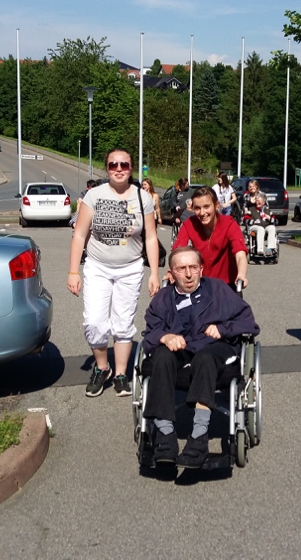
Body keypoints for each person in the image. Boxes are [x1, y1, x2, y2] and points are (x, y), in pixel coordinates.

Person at [141, 247, 259, 468]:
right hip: (180, 352)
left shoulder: (219, 290)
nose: (188, 274)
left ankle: (199, 436)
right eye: (181, 269)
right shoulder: (163, 299)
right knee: (161, 356)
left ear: (201, 269)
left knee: (205, 358)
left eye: (193, 267)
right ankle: (165, 435)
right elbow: (150, 333)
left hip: (214, 349)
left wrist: (223, 329)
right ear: (171, 273)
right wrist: (165, 336)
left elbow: (249, 323)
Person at [68, 148, 161, 398]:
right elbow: (79, 234)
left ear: (131, 168)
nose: (119, 169)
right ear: (106, 168)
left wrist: (154, 273)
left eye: (124, 165)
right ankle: (102, 368)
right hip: (98, 266)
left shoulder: (143, 198)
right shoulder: (94, 195)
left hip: (130, 268)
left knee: (123, 322)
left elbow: (151, 237)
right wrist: (73, 271)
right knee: (94, 322)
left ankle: (121, 374)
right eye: (113, 165)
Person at [173, 187, 249, 289]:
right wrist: (170, 272)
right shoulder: (189, 224)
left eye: (206, 207)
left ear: (216, 205)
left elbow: (240, 254)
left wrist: (241, 275)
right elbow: (177, 252)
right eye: (197, 208)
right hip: (199, 285)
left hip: (226, 285)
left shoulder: (229, 224)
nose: (202, 212)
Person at [242, 191, 278, 257]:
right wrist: (253, 221)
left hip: (266, 226)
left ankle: (269, 249)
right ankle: (260, 250)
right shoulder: (251, 209)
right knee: (260, 229)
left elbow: (276, 221)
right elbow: (245, 219)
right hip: (254, 227)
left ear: (263, 202)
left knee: (272, 228)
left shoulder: (267, 210)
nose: (257, 202)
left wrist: (270, 218)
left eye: (259, 201)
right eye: (256, 200)